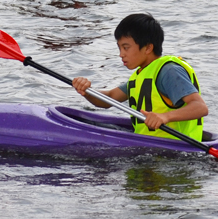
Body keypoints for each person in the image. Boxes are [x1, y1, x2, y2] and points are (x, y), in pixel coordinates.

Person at [72, 13, 209, 141]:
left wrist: (165, 117)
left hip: (176, 150)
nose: (121, 54)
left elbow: (200, 107)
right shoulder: (141, 76)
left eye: (126, 47)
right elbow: (109, 98)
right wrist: (87, 91)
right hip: (150, 147)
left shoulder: (169, 71)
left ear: (148, 48)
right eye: (119, 48)